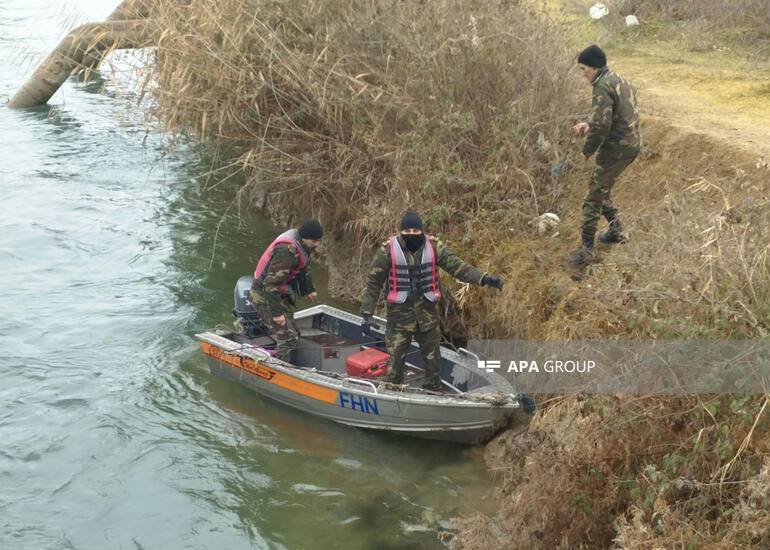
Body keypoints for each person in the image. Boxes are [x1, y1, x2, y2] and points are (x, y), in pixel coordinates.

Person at [360, 212, 503, 391]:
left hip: (427, 316)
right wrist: (367, 314)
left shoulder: (435, 247)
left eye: (415, 230)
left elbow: (458, 267)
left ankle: (433, 391)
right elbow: (374, 283)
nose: (412, 234)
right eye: (407, 230)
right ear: (400, 232)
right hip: (399, 319)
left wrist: (484, 278)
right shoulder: (387, 251)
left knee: (433, 360)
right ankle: (392, 392)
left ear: (422, 230)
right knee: (395, 360)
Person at [569, 44, 641, 265]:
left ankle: (587, 250)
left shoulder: (601, 86)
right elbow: (609, 117)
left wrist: (586, 151)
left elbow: (602, 125)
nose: (582, 74)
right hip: (631, 145)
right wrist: (588, 124)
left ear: (593, 66)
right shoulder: (619, 80)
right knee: (602, 187)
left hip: (615, 149)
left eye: (583, 69)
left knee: (592, 198)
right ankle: (616, 230)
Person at [249, 219, 322, 361]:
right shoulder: (286, 251)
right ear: (305, 237)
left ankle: (281, 357)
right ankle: (279, 368)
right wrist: (277, 314)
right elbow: (270, 285)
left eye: (318, 241)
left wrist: (309, 289)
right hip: (263, 295)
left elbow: (302, 267)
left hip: (276, 295)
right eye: (314, 241)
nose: (317, 244)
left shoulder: (301, 245)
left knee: (293, 331)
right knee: (289, 337)